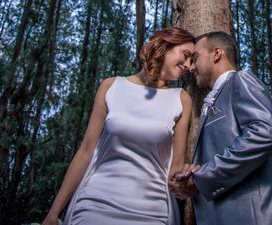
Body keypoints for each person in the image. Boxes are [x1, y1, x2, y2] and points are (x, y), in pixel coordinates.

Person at [42, 27, 195, 225]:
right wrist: (53, 213)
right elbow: (85, 152)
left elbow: (175, 167)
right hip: (95, 204)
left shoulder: (182, 99)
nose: (189, 65)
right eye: (186, 55)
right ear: (165, 45)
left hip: (152, 211)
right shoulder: (111, 86)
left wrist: (190, 176)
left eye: (192, 60)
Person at [169, 31, 272, 224]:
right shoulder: (217, 97)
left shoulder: (241, 80)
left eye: (195, 58)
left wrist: (201, 179)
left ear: (217, 54)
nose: (191, 66)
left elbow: (265, 133)